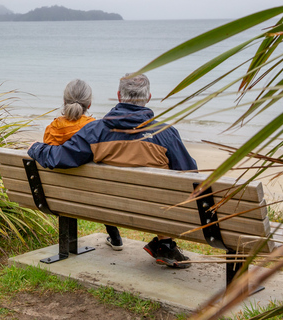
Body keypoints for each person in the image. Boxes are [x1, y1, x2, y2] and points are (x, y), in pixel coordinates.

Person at [28, 73, 198, 269]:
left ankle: (165, 245)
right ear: (149, 97)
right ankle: (165, 244)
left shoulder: (95, 131)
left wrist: (35, 148)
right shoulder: (165, 133)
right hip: (154, 211)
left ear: (119, 96)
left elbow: (60, 157)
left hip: (109, 207)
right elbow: (190, 173)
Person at [42, 79, 124, 251]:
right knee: (99, 188)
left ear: (64, 102)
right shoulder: (96, 129)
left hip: (59, 195)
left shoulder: (52, 129)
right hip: (93, 196)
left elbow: (49, 156)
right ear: (90, 103)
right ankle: (114, 236)